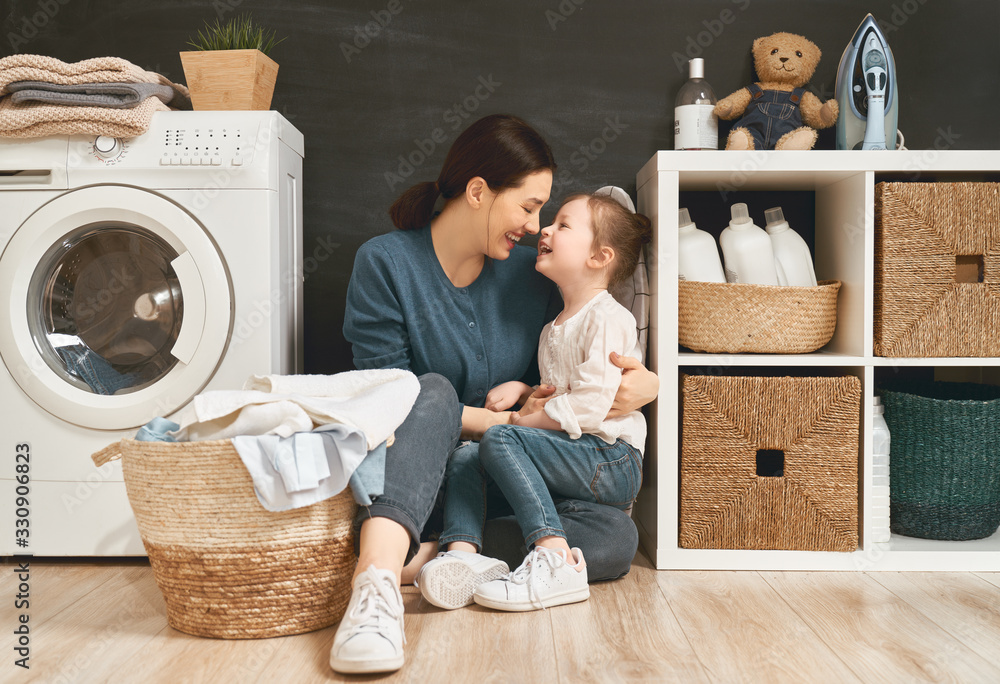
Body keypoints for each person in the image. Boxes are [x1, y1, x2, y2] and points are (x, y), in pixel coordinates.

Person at [332, 114, 659, 674]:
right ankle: (377, 586)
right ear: (479, 192)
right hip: (419, 479)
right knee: (426, 391)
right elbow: (385, 401)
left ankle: (443, 557)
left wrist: (643, 384)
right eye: (530, 207)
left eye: (544, 213)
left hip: (509, 479)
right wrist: (499, 426)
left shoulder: (533, 276)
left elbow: (574, 367)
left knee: (614, 538)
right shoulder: (386, 263)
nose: (535, 228)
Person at [417, 192, 650, 613]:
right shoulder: (553, 329)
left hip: (609, 458)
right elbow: (565, 391)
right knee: (469, 455)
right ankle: (463, 555)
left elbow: (591, 404)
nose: (544, 228)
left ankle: (554, 557)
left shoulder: (608, 318)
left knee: (501, 438)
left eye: (562, 225)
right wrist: (526, 392)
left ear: (598, 257)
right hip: (571, 464)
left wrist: (524, 424)